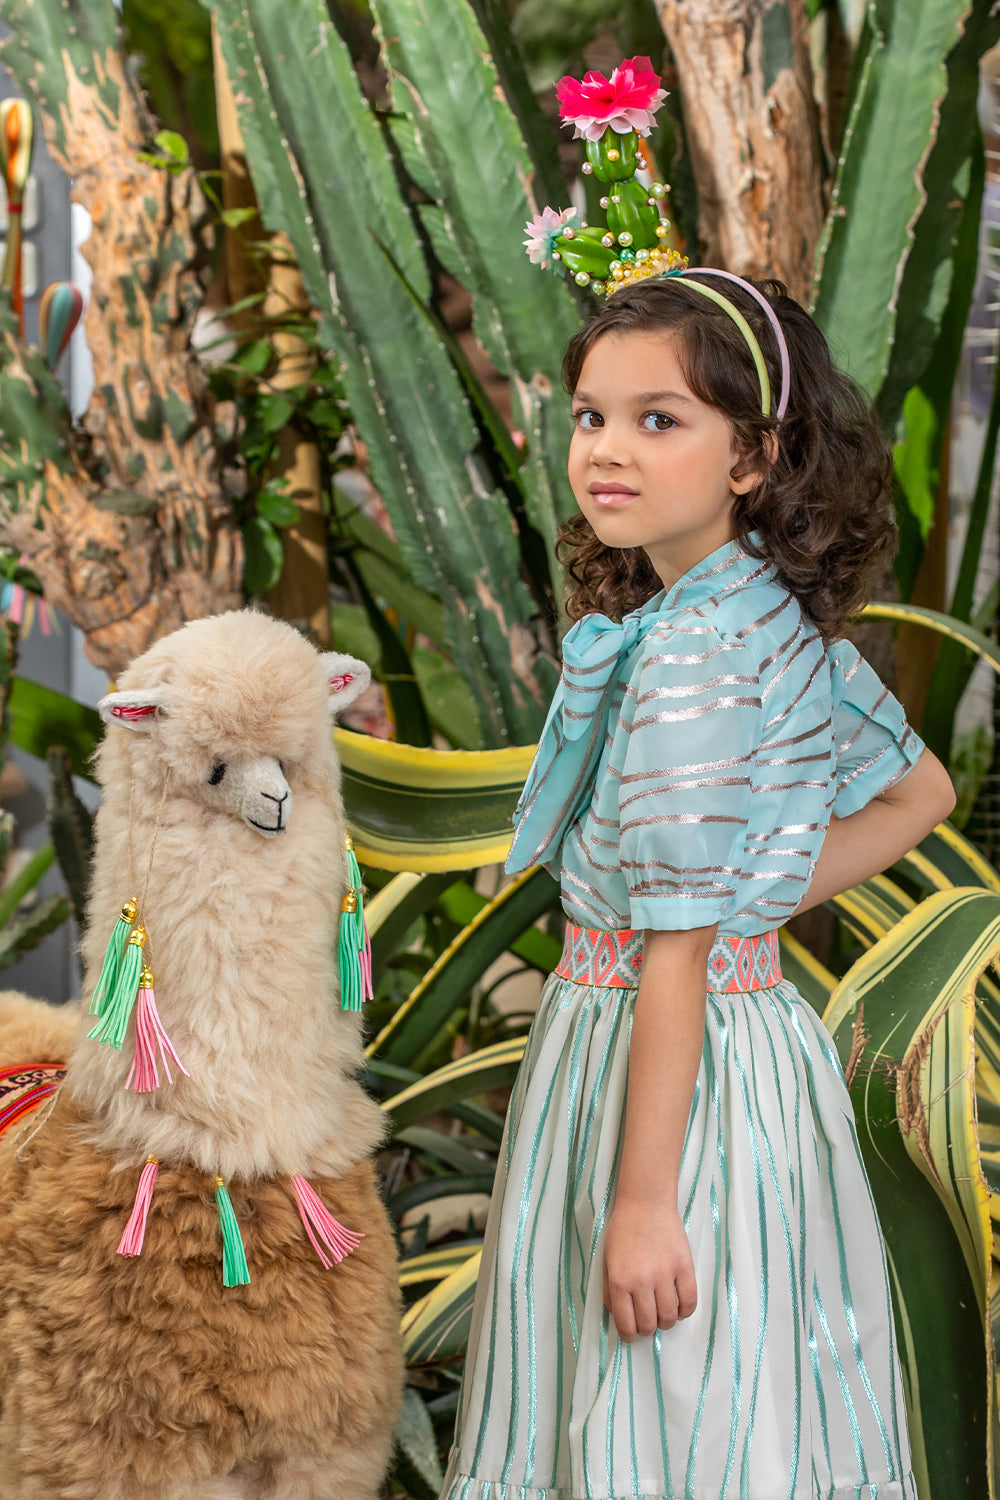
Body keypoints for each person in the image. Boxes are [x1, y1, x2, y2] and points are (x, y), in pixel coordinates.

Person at [438, 271, 955, 1500]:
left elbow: (669, 955)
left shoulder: (686, 661)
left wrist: (641, 1204)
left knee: (651, 1408)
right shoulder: (777, 620)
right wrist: (756, 897)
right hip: (754, 1052)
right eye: (590, 417)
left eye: (657, 419)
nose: (607, 451)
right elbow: (917, 791)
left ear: (752, 457)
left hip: (656, 1075)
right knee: (750, 1392)